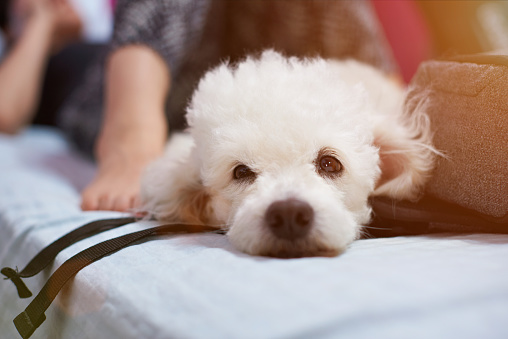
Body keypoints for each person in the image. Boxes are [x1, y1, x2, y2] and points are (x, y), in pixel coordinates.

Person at [1, 0, 397, 213]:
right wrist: (38, 26)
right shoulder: (32, 50)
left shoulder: (128, 28)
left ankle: (380, 95)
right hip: (138, 95)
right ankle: (130, 135)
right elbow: (6, 111)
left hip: (232, 78)